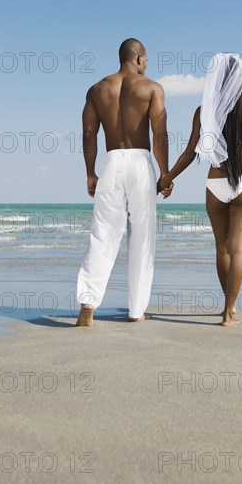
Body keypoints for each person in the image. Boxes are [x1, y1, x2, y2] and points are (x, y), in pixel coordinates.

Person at [158, 53, 242, 327]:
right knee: (239, 250)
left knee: (221, 250)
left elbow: (189, 152)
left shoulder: (203, 112)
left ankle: (228, 308)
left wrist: (167, 177)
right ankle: (228, 311)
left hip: (215, 185)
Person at [76, 38, 173, 327]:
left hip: (113, 162)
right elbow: (160, 134)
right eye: (147, 60)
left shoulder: (97, 90)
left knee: (103, 234)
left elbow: (89, 135)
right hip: (141, 163)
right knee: (143, 239)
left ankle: (88, 302)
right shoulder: (151, 88)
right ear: (140, 58)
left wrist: (90, 173)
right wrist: (164, 173)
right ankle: (136, 311)